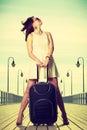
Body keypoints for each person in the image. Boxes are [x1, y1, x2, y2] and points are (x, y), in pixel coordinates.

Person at [16, 16, 69, 126]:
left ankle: (64, 115)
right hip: (35, 63)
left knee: (56, 89)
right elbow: (30, 52)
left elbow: (51, 47)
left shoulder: (48, 34)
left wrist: (47, 58)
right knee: (28, 90)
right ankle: (20, 114)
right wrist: (38, 61)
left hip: (48, 62)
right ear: (33, 24)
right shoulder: (30, 36)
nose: (38, 19)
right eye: (35, 19)